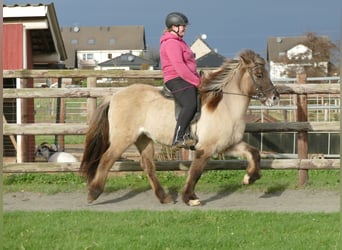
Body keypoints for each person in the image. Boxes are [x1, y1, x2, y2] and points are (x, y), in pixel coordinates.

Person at [159, 12, 200, 148]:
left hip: (184, 77)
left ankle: (194, 133)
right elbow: (180, 67)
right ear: (173, 27)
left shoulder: (180, 42)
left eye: (184, 26)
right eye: (182, 26)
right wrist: (197, 82)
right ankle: (179, 137)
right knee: (190, 104)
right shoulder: (171, 43)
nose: (185, 28)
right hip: (176, 78)